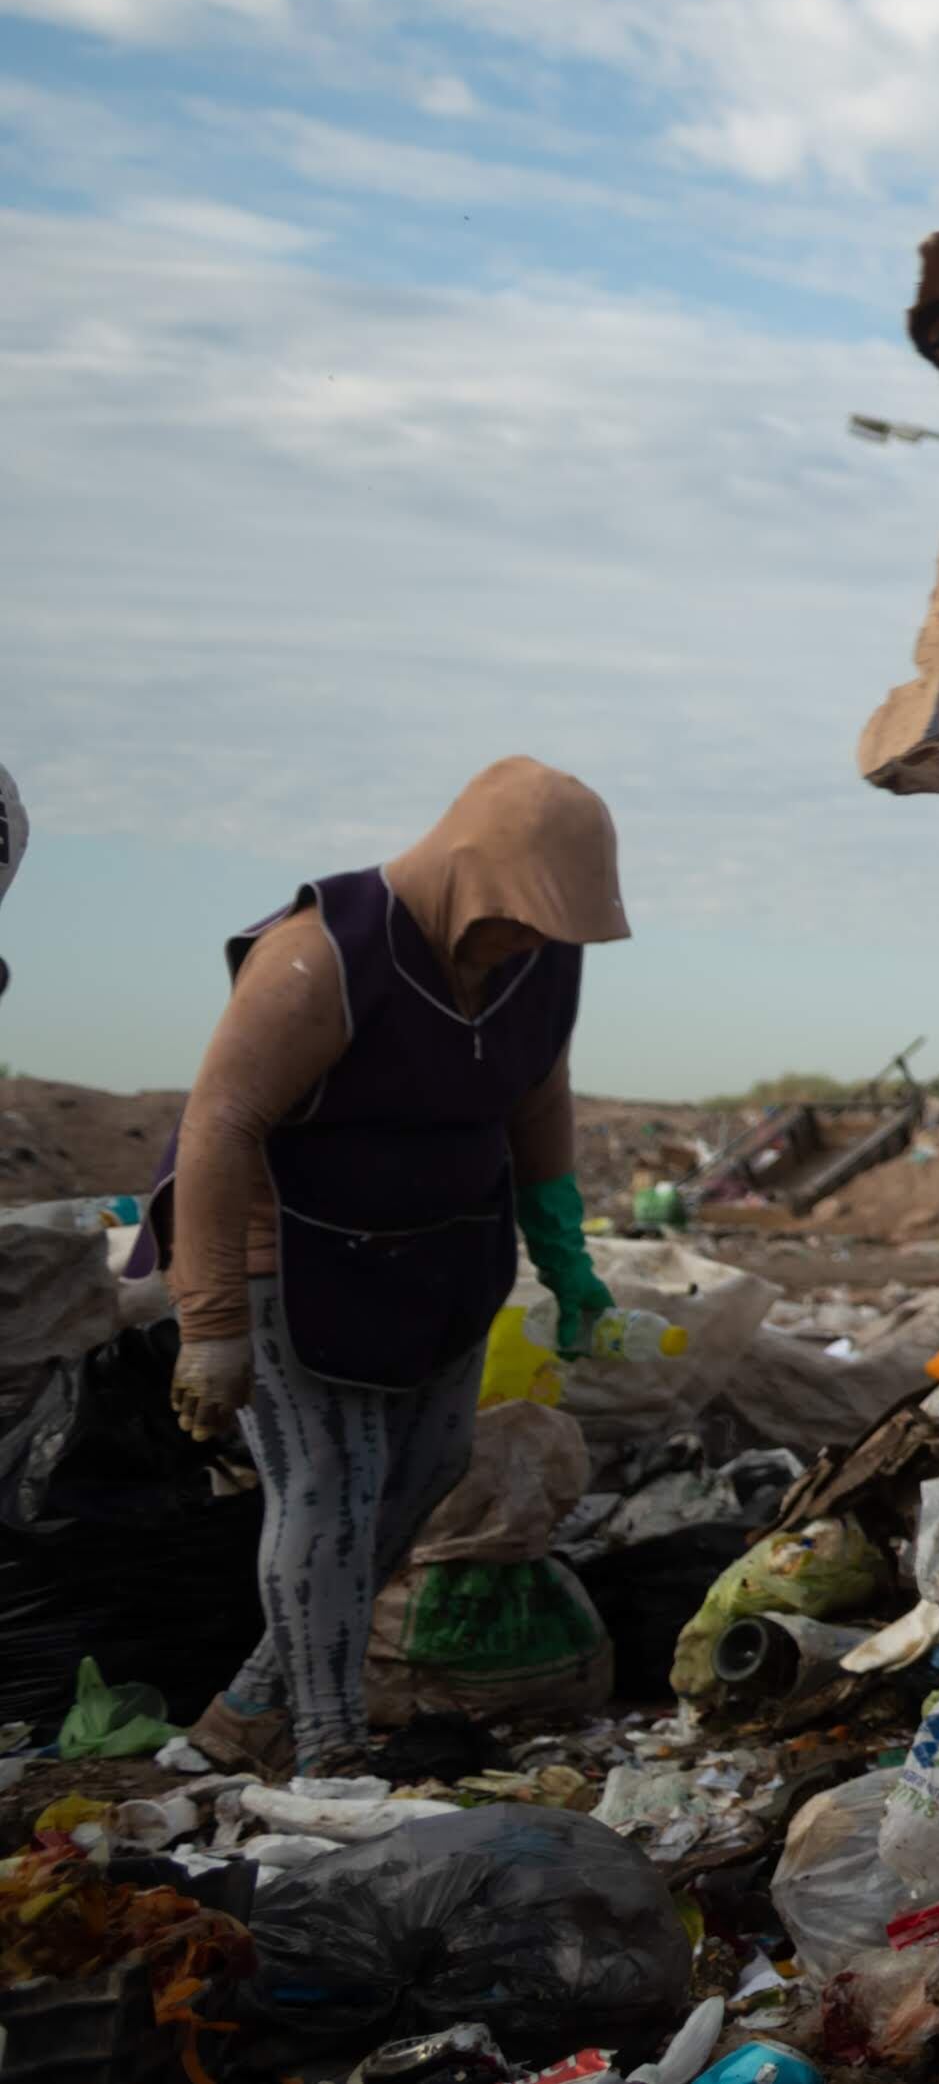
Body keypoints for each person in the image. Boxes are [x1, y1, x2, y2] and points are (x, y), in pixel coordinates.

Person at [150, 760, 627, 1774]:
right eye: (518, 922)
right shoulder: (320, 955)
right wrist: (211, 1322)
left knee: (425, 1472)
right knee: (327, 1484)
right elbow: (218, 1126)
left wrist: (564, 1251)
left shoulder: (540, 961)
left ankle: (241, 1711)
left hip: (445, 1243)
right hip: (292, 1246)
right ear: (470, 876)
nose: (530, 946)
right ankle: (327, 1746)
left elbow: (538, 1095)